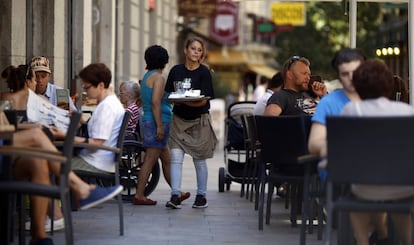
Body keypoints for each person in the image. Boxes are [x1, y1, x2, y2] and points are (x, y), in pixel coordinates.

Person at [340, 60, 414, 245]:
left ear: (357, 86)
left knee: (355, 194)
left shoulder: (351, 110)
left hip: (364, 187)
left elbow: (343, 149)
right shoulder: (407, 112)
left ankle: (364, 242)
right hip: (405, 186)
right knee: (399, 201)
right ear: (389, 85)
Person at [165, 37, 217, 209]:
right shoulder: (176, 71)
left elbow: (204, 100)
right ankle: (175, 195)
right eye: (193, 48)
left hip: (199, 121)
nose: (196, 52)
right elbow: (168, 95)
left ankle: (201, 196)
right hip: (179, 121)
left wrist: (184, 101)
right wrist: (177, 100)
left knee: (199, 160)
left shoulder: (204, 73)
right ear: (185, 50)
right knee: (176, 158)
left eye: (199, 50)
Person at [132, 45, 176, 205]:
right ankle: (139, 195)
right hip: (157, 122)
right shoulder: (159, 78)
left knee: (167, 159)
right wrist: (159, 126)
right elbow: (156, 102)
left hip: (151, 120)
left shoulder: (147, 77)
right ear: (164, 61)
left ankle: (177, 191)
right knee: (150, 160)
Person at [308, 48, 366, 160]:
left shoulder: (374, 98)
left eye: (356, 72)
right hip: (338, 168)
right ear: (339, 77)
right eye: (345, 74)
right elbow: (313, 144)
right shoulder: (328, 102)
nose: (351, 78)